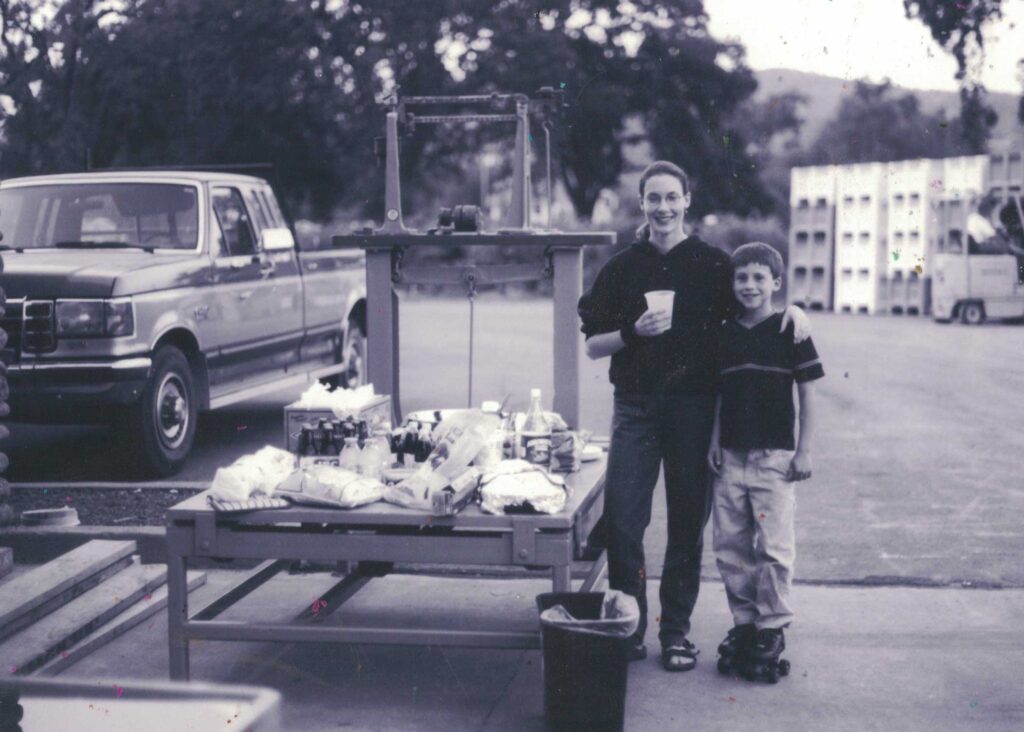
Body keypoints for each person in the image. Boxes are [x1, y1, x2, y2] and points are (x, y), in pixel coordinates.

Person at [577, 160, 810, 671]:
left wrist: (792, 312)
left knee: (687, 524)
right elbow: (594, 346)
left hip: (695, 408)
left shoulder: (713, 264)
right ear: (642, 204)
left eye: (671, 197)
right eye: (653, 198)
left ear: (687, 201)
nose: (662, 207)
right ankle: (629, 626)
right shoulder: (621, 268)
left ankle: (676, 633)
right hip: (635, 407)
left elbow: (755, 301)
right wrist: (633, 331)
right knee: (624, 521)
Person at [707, 242, 824, 681]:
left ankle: (772, 626)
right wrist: (715, 441)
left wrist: (804, 450)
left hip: (775, 458)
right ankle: (744, 623)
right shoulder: (725, 332)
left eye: (760, 278)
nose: (750, 285)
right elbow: (720, 394)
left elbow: (808, 392)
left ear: (776, 283)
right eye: (742, 278)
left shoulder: (790, 331)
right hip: (731, 457)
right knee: (731, 545)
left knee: (773, 547)